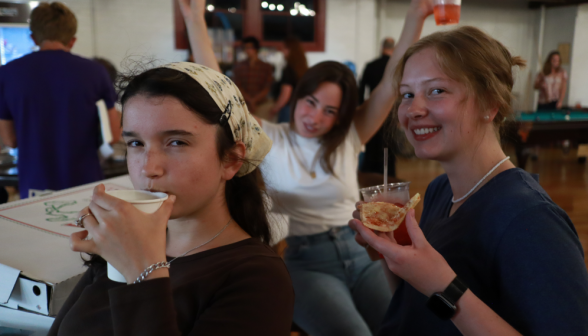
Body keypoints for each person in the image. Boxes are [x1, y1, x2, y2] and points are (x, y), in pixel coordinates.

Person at [181, 0, 433, 335]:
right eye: (311, 102)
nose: (315, 117)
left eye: (330, 111)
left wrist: (417, 13)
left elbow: (390, 82)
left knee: (405, 326)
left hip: (360, 251)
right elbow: (220, 94)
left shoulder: (348, 136)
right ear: (298, 96)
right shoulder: (267, 137)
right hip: (306, 261)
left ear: (341, 116)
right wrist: (193, 17)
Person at [349, 26, 588, 335]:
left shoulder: (532, 220)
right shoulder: (441, 190)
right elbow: (417, 309)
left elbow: (441, 294)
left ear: (490, 103)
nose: (413, 109)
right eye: (407, 94)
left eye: (436, 90)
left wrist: (444, 286)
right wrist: (389, 252)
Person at [48, 61, 295, 335]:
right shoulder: (125, 242)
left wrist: (144, 271)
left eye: (177, 142)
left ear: (231, 159)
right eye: (135, 143)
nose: (148, 168)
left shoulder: (258, 278)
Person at [0, 2, 121, 199]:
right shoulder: (95, 72)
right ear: (72, 41)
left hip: (35, 184)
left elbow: (10, 140)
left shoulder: (6, 74)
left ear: (33, 38)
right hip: (85, 183)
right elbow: (113, 135)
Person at [358, 37, 397, 178]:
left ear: (381, 47)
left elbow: (361, 90)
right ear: (393, 48)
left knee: (372, 143)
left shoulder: (371, 65)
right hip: (391, 110)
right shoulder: (396, 67)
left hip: (372, 110)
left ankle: (370, 174)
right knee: (388, 143)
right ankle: (388, 174)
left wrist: (362, 109)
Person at [270, 36, 308, 123]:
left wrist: (274, 109)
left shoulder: (289, 70)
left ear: (290, 50)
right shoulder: (302, 69)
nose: (282, 51)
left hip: (287, 109)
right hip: (299, 108)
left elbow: (286, 94)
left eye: (284, 48)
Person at [232, 36, 274, 114]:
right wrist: (250, 100)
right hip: (243, 104)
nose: (247, 50)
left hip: (262, 105)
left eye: (249, 48)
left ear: (256, 49)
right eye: (245, 48)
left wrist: (254, 100)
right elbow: (237, 86)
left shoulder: (266, 67)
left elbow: (267, 87)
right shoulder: (239, 66)